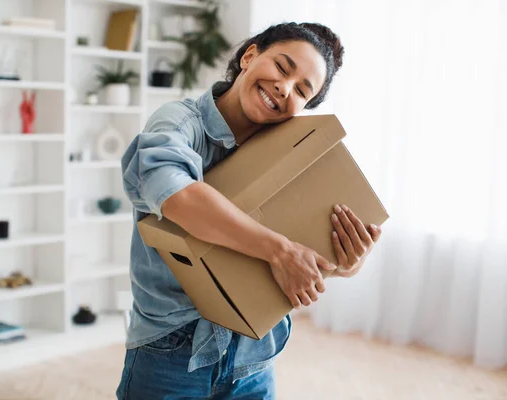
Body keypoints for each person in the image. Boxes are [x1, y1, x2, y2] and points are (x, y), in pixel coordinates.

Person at [116, 22, 382, 400]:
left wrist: (342, 263)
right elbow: (175, 195)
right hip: (171, 351)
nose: (284, 87)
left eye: (302, 91)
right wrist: (280, 250)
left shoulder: (291, 156)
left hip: (253, 355)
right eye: (283, 67)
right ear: (250, 55)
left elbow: (297, 251)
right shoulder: (179, 123)